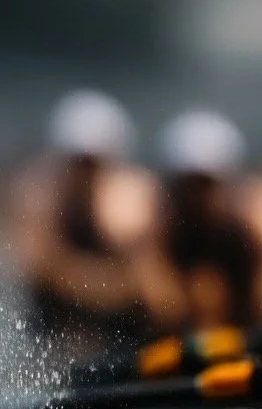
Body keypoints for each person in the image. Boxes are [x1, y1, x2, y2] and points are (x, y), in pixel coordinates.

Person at [13, 90, 159, 359]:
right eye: (78, 163)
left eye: (93, 163)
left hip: (123, 339)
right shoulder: (40, 195)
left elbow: (151, 291)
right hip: (60, 337)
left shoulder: (132, 198)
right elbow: (39, 269)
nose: (85, 173)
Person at [146, 109, 262, 332]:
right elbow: (160, 309)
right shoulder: (156, 224)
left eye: (206, 185)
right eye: (188, 186)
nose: (197, 197)